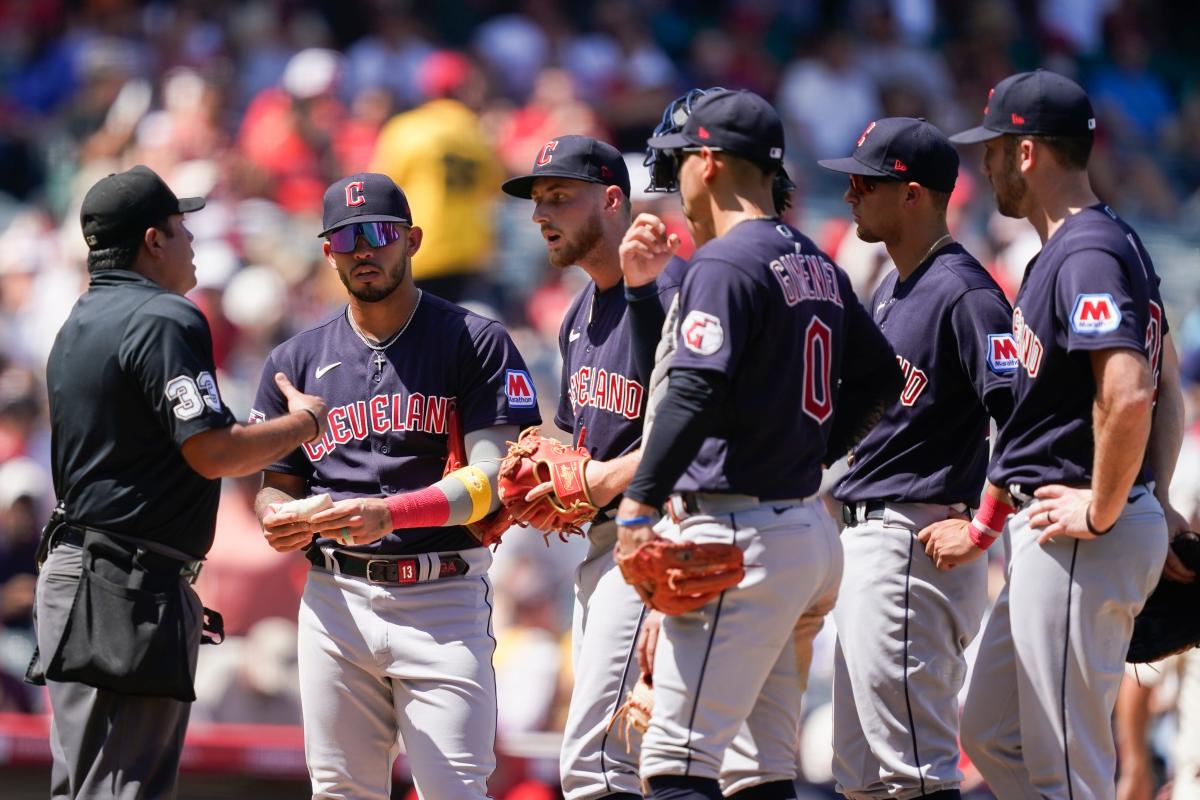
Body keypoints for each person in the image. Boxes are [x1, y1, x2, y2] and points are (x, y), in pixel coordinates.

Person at [614, 89, 903, 800]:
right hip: (802, 534)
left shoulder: (723, 263)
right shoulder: (814, 260)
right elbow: (883, 377)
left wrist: (638, 503)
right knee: (759, 769)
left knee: (676, 760)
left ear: (708, 162)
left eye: (681, 161)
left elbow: (690, 391)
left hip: (739, 532)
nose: (676, 178)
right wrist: (809, 453)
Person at [920, 69, 1186, 799]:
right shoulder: (1081, 250)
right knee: (994, 734)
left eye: (996, 149)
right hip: (1069, 526)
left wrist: (1108, 507)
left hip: (1080, 533)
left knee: (1068, 773)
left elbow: (1132, 392)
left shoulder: (1088, 251)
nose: (988, 165)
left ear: (1028, 153)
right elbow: (1163, 385)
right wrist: (1152, 495)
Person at [35, 164, 327, 799]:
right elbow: (212, 452)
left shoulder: (77, 323)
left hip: (81, 578)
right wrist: (305, 424)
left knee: (84, 789)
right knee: (123, 791)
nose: (192, 239)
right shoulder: (165, 316)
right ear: (152, 240)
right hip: (125, 586)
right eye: (180, 225)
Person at [252, 172, 541, 800]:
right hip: (335, 598)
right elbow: (275, 484)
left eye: (379, 234)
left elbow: (493, 477)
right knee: (339, 791)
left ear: (411, 239)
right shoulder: (294, 360)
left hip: (442, 596)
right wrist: (278, 515)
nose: (364, 250)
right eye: (346, 238)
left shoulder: (474, 340)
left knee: (456, 790)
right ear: (327, 250)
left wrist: (393, 512)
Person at [816, 117, 1014, 800]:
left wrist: (984, 527)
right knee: (864, 776)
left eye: (866, 182)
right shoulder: (891, 288)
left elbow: (1019, 417)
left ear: (915, 194)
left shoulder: (965, 293)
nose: (850, 196)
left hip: (913, 538)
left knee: (915, 775)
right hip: (871, 539)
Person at [501, 134, 670, 800]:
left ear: (610, 200)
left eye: (560, 199)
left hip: (659, 537)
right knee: (650, 757)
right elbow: (575, 441)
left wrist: (603, 478)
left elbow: (709, 423)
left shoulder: (665, 292)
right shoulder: (578, 312)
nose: (542, 215)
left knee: (599, 764)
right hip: (606, 549)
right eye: (538, 201)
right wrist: (546, 473)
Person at [370, 50, 503, 304]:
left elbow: (378, 191)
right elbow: (493, 187)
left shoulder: (407, 128)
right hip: (469, 255)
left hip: (418, 252)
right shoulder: (477, 132)